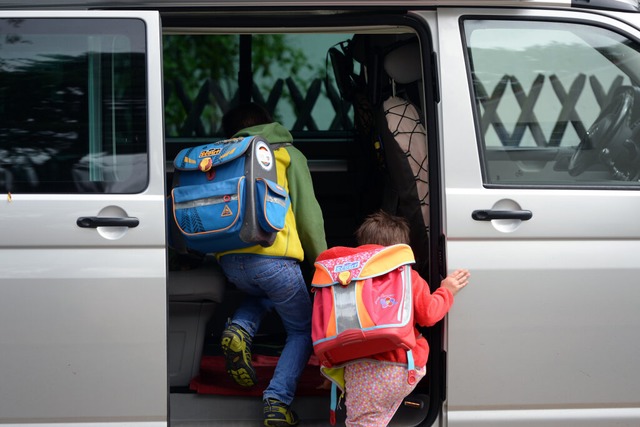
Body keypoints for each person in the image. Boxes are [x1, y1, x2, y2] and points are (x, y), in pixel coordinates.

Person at [216, 102, 327, 427]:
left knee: (264, 294)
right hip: (273, 259)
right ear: (268, 123)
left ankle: (240, 327)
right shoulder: (286, 153)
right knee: (302, 329)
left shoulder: (224, 155)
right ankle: (277, 400)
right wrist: (324, 263)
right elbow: (308, 216)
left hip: (231, 263)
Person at [325, 210, 469, 427]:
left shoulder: (344, 281)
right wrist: (445, 291)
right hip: (400, 367)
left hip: (357, 368)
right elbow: (429, 315)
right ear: (400, 250)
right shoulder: (407, 276)